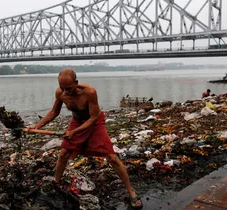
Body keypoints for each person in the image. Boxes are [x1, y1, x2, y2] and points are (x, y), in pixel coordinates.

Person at [27, 69, 143, 209]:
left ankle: (131, 191)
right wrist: (36, 126)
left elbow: (94, 118)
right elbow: (54, 112)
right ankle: (56, 184)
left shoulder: (89, 92)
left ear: (76, 83)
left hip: (94, 123)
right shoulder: (60, 93)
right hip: (77, 121)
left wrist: (74, 132)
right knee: (63, 153)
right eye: (62, 88)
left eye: (68, 88)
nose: (65, 92)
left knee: (111, 157)